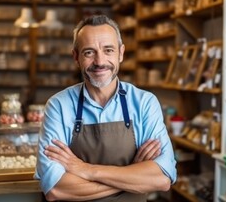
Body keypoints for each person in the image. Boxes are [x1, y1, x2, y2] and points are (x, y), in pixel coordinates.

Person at [34, 14, 177, 202]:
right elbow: (56, 189)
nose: (100, 61)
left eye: (108, 50)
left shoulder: (144, 103)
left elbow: (162, 179)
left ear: (121, 53)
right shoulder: (59, 106)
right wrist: (130, 176)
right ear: (76, 57)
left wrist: (86, 170)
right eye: (89, 52)